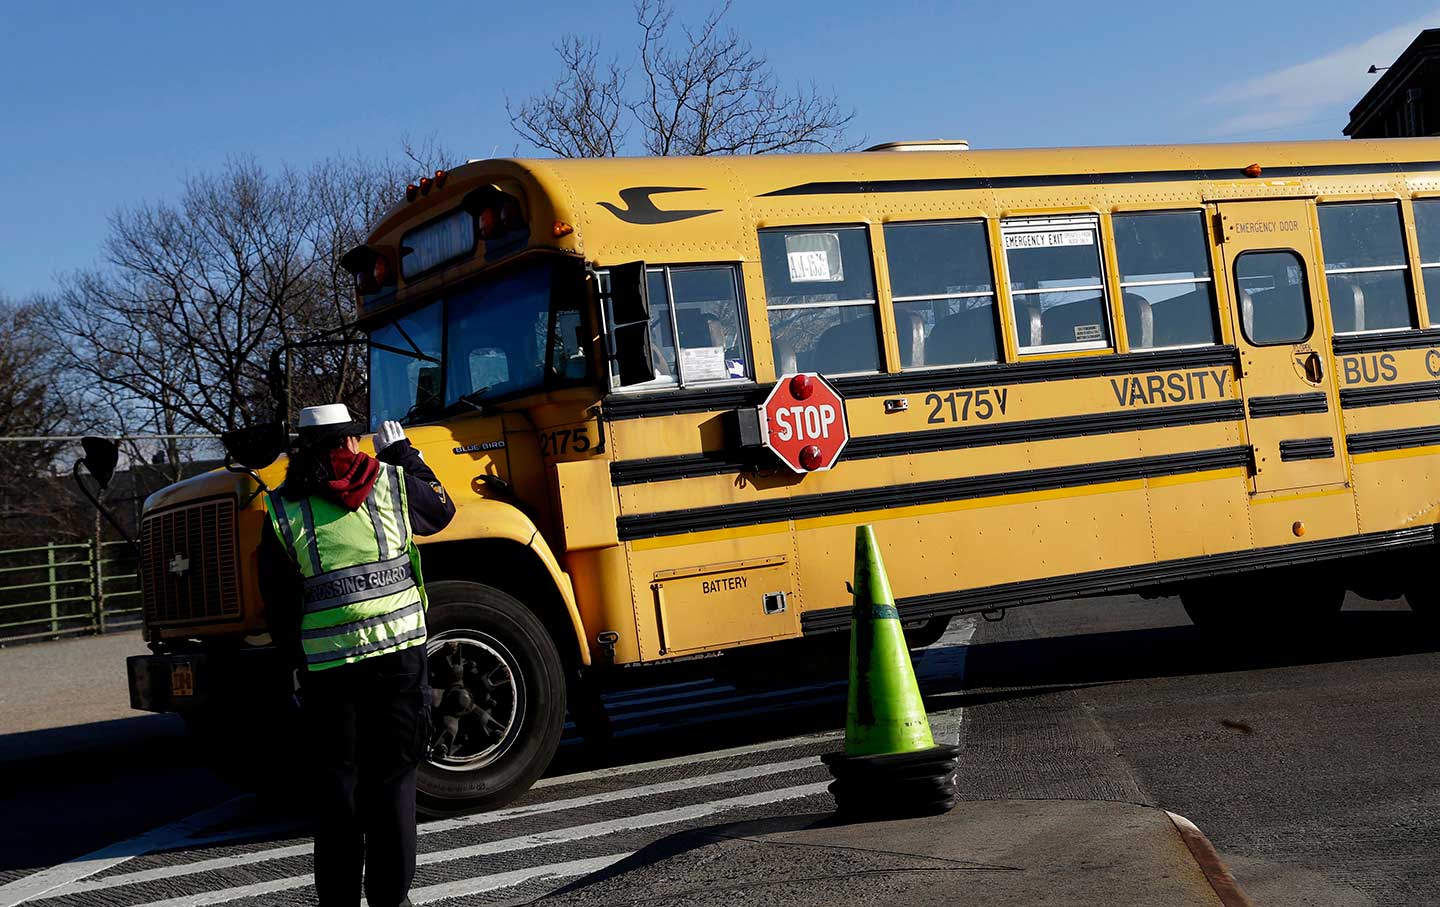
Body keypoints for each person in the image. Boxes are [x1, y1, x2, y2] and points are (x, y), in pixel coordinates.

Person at [259, 404, 455, 907]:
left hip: (327, 671)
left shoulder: (283, 509)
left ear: (302, 448)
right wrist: (404, 454)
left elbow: (280, 606)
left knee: (338, 788)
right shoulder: (389, 480)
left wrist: (298, 665)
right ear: (351, 442)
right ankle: (391, 900)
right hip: (399, 660)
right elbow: (441, 511)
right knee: (394, 783)